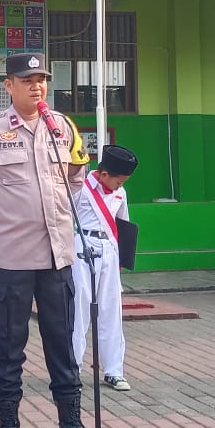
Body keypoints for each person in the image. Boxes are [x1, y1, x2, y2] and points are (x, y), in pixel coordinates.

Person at [0, 52, 97, 428]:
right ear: (9, 86)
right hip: (11, 260)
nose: (37, 86)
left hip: (58, 257)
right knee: (8, 349)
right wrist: (1, 211)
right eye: (27, 80)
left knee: (63, 346)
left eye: (41, 79)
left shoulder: (62, 127)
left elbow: (77, 176)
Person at [71, 144, 139, 393]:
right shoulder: (80, 187)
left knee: (111, 310)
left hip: (109, 249)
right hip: (82, 247)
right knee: (79, 310)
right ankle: (73, 369)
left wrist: (122, 259)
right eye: (118, 181)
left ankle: (113, 371)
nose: (120, 186)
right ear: (104, 174)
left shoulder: (121, 193)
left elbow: (123, 224)